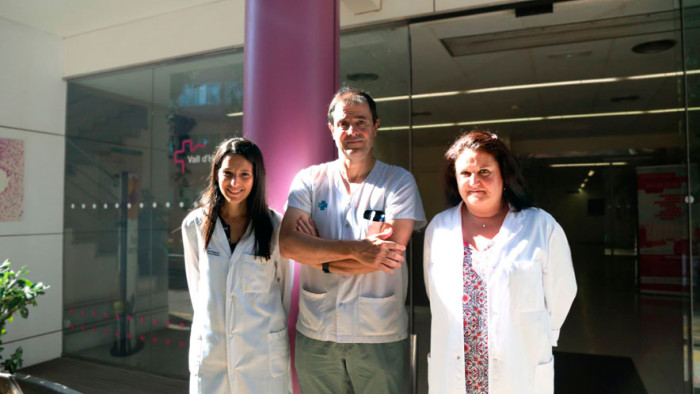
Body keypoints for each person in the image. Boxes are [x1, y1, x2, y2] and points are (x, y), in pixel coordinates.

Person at [279, 87, 426, 393]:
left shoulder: (398, 182)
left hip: (379, 335)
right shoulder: (309, 180)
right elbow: (289, 245)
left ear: (376, 126)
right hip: (317, 333)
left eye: (361, 122)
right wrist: (359, 250)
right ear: (332, 129)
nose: (353, 131)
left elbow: (388, 257)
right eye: (344, 124)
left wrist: (319, 255)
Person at [423, 131, 577, 394]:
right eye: (465, 174)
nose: (475, 181)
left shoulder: (541, 226)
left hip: (519, 368)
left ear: (504, 175)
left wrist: (536, 337)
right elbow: (433, 293)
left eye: (485, 171)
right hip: (456, 372)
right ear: (454, 179)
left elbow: (562, 294)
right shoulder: (439, 228)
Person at [181, 137, 292, 393]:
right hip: (213, 354)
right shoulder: (195, 225)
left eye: (244, 174)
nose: (234, 183)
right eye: (228, 173)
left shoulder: (275, 226)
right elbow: (198, 292)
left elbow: (283, 291)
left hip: (262, 356)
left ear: (256, 177)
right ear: (216, 173)